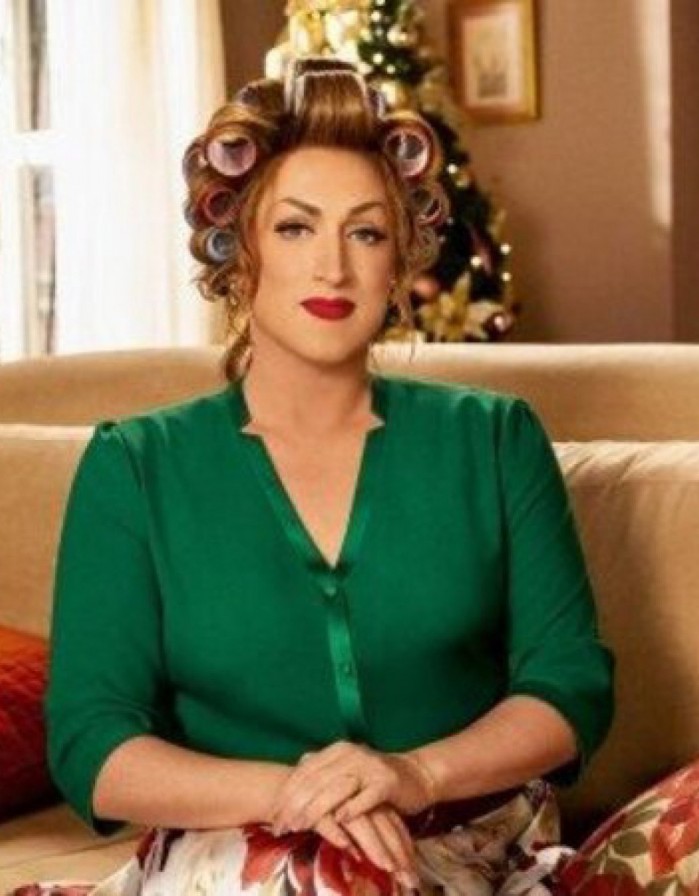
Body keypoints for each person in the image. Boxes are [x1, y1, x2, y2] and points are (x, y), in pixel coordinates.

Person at [35, 56, 615, 896]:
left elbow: (568, 687)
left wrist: (413, 774)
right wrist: (294, 798)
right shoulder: (135, 466)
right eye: (295, 229)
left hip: (482, 849)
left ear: (399, 258)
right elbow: (92, 744)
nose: (332, 267)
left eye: (366, 233)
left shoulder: (493, 440)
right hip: (244, 853)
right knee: (330, 875)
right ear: (238, 251)